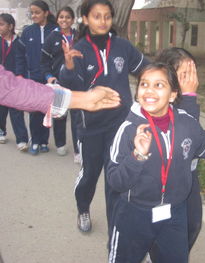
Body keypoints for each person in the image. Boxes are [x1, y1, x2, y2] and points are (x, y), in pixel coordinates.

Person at [107, 62, 205, 263]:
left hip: (174, 213)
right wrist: (137, 156)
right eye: (144, 84)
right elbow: (115, 181)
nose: (149, 91)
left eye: (159, 85)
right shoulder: (128, 130)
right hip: (134, 215)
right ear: (137, 93)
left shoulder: (187, 124)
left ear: (173, 95)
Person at [59, 0, 149, 233]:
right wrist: (68, 66)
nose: (103, 21)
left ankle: (116, 224)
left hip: (121, 126)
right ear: (86, 19)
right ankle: (83, 208)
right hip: (91, 127)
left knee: (116, 176)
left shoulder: (123, 46)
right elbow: (69, 88)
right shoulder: (79, 49)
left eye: (107, 16)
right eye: (97, 16)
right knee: (90, 175)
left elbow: (146, 69)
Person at [154, 47, 202, 252]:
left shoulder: (186, 102)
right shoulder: (158, 104)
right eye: (185, 74)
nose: (192, 79)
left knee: (192, 226)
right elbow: (183, 134)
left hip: (189, 176)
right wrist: (190, 97)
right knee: (166, 234)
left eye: (193, 72)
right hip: (164, 185)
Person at [16, 0, 56, 155]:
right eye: (32, 13)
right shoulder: (27, 32)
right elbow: (20, 55)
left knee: (47, 111)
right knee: (34, 112)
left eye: (37, 12)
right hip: (32, 78)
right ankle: (35, 141)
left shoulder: (55, 30)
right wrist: (20, 75)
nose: (34, 15)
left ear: (46, 13)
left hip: (50, 79)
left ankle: (44, 141)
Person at [41, 6, 79, 159]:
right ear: (57, 20)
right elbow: (43, 62)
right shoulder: (52, 37)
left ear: (73, 20)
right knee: (60, 114)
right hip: (59, 81)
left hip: (77, 82)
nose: (64, 20)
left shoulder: (78, 36)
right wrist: (49, 76)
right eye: (61, 17)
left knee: (77, 117)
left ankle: (78, 150)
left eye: (68, 17)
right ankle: (61, 144)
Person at [0, 13, 29, 149]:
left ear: (11, 26)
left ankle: (22, 140)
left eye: (1, 24)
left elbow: (22, 61)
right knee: (1, 110)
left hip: (15, 82)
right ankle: (1, 132)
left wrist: (21, 76)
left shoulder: (20, 42)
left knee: (16, 111)